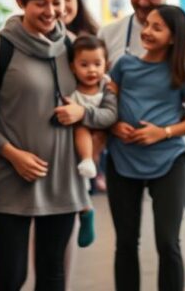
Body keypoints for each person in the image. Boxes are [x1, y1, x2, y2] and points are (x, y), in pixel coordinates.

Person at [0, 0, 116, 291]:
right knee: (11, 276)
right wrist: (11, 154)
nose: (52, 11)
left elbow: (95, 102)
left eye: (57, 1)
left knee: (53, 276)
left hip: (63, 183)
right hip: (11, 181)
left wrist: (84, 116)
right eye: (41, 3)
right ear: (21, 2)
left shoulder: (74, 49)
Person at [107, 5, 185, 291]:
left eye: (157, 27)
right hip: (122, 159)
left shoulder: (183, 73)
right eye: (147, 25)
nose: (147, 31)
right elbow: (106, 106)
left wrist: (162, 133)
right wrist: (114, 125)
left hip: (169, 160)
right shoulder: (123, 65)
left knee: (168, 241)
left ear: (174, 37)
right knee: (126, 241)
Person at [65, 34, 116, 248]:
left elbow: (111, 114)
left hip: (100, 136)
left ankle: (90, 161)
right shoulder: (71, 88)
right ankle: (86, 210)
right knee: (80, 180)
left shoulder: (107, 86)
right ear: (73, 66)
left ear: (106, 64)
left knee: (84, 128)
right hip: (77, 139)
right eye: (84, 64)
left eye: (97, 64)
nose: (91, 70)